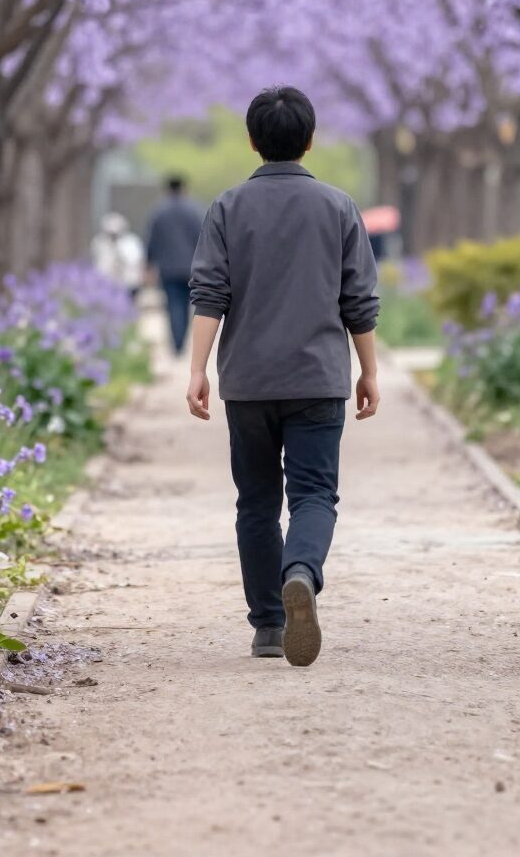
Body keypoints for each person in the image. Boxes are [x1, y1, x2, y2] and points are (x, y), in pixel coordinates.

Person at [185, 86, 380, 668]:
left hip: (247, 382)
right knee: (315, 494)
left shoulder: (226, 207)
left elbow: (209, 294)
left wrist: (196, 369)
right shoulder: (339, 207)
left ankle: (269, 626)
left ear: (252, 141)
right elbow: (359, 300)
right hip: (319, 379)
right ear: (310, 140)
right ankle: (301, 571)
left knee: (256, 502)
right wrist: (369, 370)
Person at [145, 175, 202, 356]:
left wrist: (148, 264)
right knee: (185, 306)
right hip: (190, 268)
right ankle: (181, 341)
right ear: (184, 188)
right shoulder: (194, 211)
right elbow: (202, 238)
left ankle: (176, 343)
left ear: (167, 189)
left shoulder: (159, 212)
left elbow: (152, 241)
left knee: (172, 305)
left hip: (167, 268)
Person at [91, 212, 146, 297]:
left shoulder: (130, 242)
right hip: (107, 283)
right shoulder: (100, 242)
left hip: (128, 283)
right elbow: (99, 263)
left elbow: (134, 260)